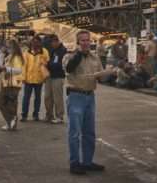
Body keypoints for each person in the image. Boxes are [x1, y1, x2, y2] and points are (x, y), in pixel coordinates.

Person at [64, 30, 115, 175]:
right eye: (83, 41)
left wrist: (109, 73)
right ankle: (74, 163)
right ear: (77, 42)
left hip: (89, 96)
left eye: (88, 40)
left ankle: (87, 161)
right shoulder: (70, 56)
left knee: (89, 132)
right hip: (76, 96)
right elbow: (69, 68)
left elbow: (100, 78)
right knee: (74, 132)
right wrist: (79, 53)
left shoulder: (95, 58)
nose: (86, 43)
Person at [0, 40, 25, 131]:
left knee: (7, 104)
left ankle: (11, 122)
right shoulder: (9, 56)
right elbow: (2, 65)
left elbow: (19, 70)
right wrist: (1, 56)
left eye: (8, 47)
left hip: (13, 84)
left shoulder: (16, 57)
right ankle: (10, 122)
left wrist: (6, 68)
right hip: (6, 83)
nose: (6, 48)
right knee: (4, 103)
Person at [21, 36, 49, 122]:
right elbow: (24, 66)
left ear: (40, 43)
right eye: (34, 42)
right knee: (26, 98)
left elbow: (47, 63)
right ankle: (24, 115)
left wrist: (42, 59)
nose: (35, 44)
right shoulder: (26, 52)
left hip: (39, 79)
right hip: (28, 79)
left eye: (37, 42)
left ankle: (35, 115)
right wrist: (23, 77)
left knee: (38, 98)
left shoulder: (44, 52)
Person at [45, 35, 67, 123]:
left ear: (57, 41)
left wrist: (48, 64)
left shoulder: (62, 51)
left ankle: (59, 116)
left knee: (57, 97)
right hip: (49, 76)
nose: (52, 44)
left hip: (58, 76)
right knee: (47, 96)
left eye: (53, 42)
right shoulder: (52, 50)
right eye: (51, 42)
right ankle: (49, 115)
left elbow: (60, 64)